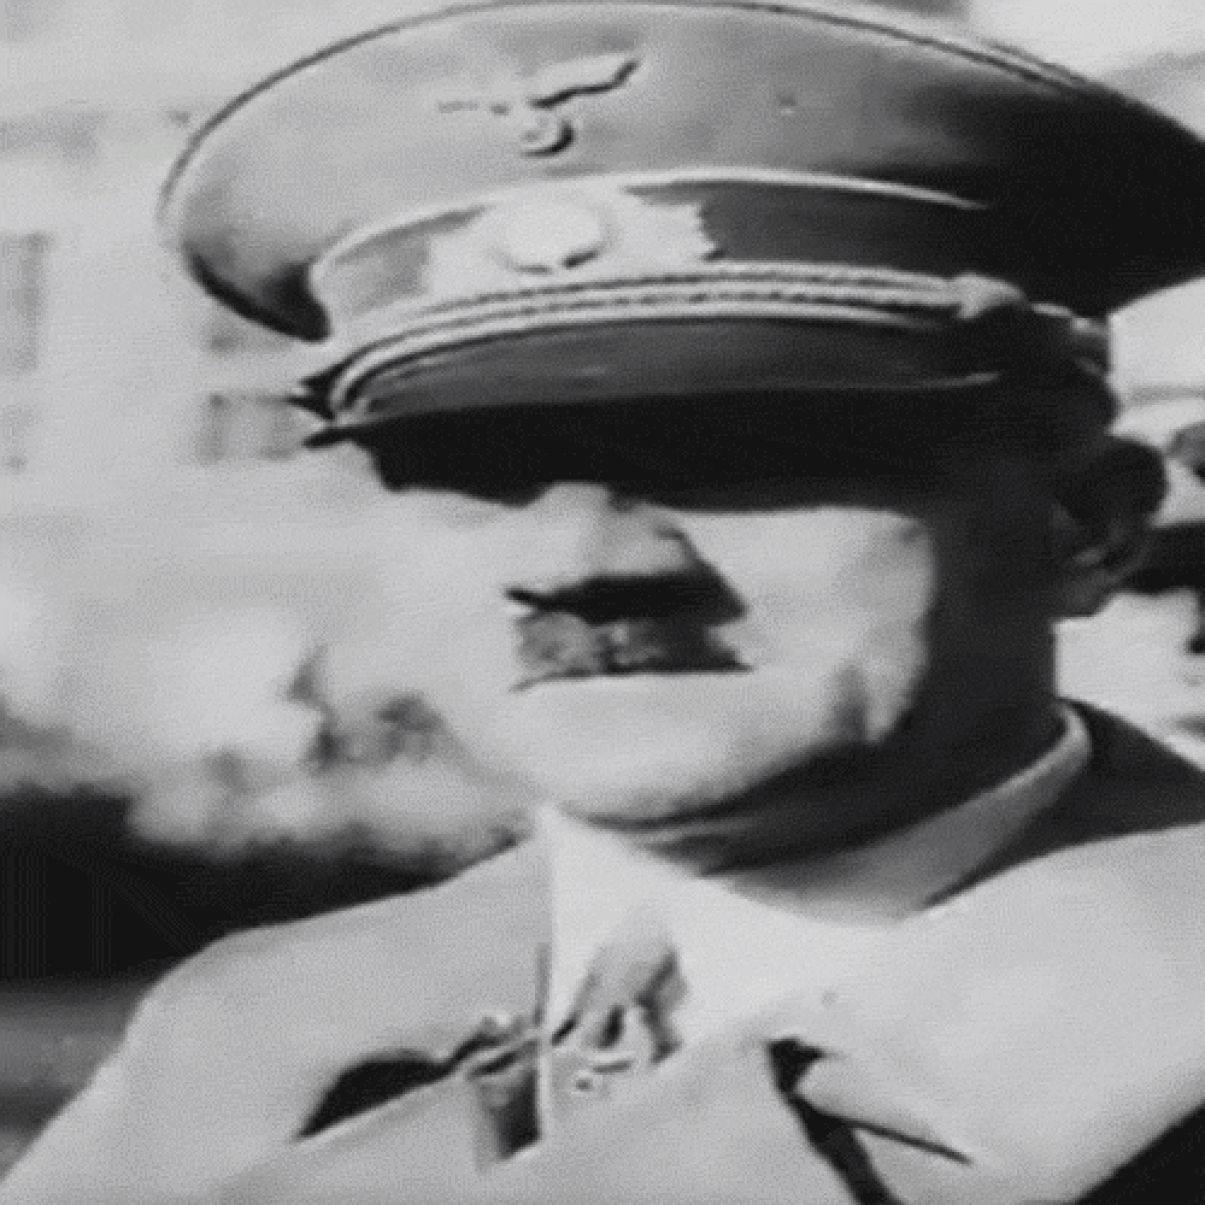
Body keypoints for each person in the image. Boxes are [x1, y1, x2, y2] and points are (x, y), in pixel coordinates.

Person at [8, 1, 1205, 1201]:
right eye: (462, 468)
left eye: (738, 446)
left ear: (1083, 525)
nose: (577, 560)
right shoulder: (249, 1038)